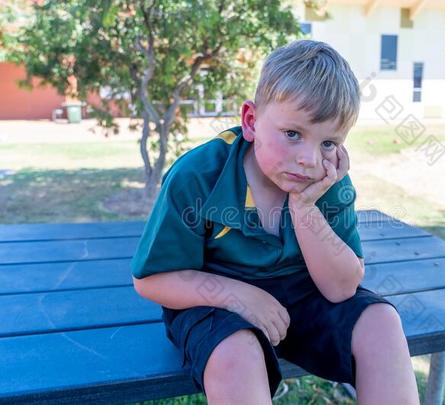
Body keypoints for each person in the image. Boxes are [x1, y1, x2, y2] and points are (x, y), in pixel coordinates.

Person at [131, 39, 420, 404]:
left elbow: (341, 288)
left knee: (381, 323)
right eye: (293, 134)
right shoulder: (198, 176)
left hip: (303, 295)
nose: (310, 160)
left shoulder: (328, 181)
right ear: (251, 121)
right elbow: (151, 279)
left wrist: (305, 208)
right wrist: (238, 295)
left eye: (329, 142)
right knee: (236, 351)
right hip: (214, 300)